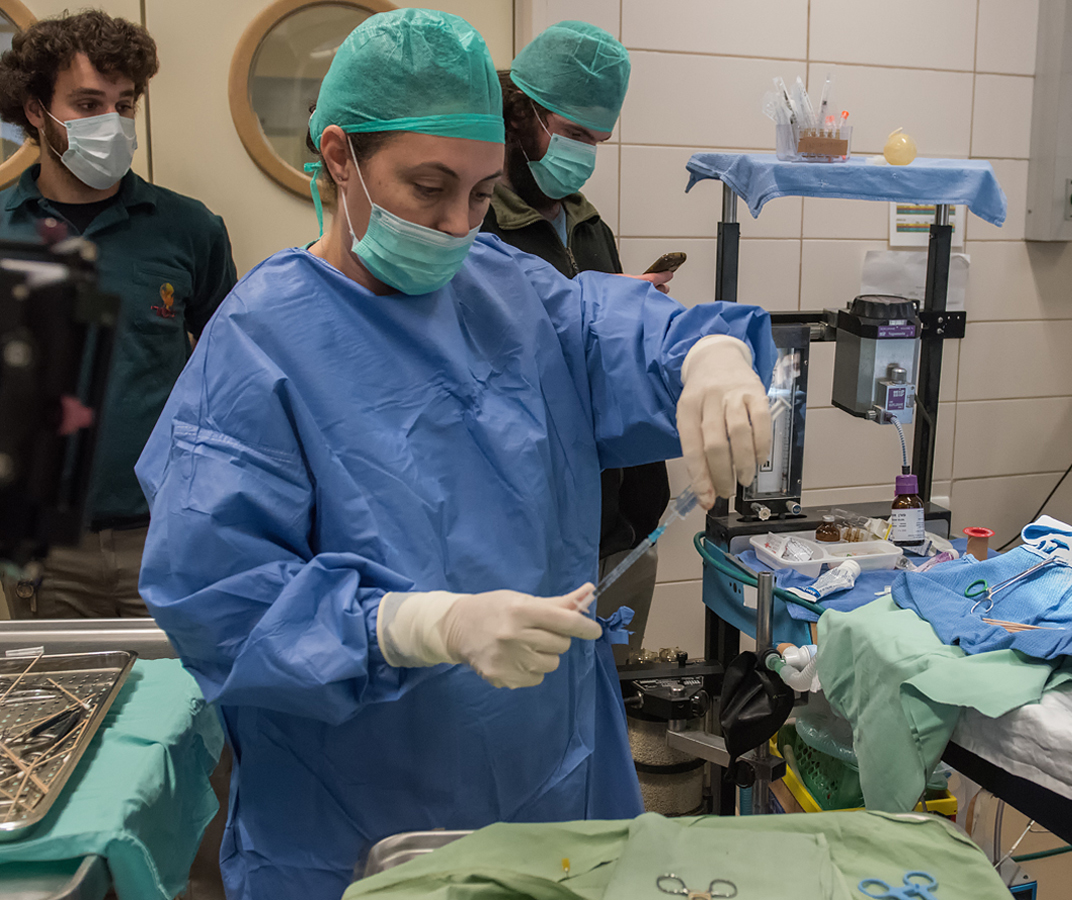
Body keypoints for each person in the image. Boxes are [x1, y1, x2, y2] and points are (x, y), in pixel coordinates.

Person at [135, 11, 774, 898]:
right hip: (355, 811)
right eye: (428, 186)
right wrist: (417, 626)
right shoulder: (260, 344)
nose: (455, 224)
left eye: (480, 194)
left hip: (550, 780)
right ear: (339, 156)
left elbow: (617, 328)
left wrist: (709, 354)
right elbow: (216, 595)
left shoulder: (512, 292)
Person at [0, 10, 235, 618]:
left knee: (180, 682)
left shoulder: (190, 229)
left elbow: (234, 377)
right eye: (87, 104)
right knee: (60, 686)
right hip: (44, 550)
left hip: (166, 534)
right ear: (36, 110)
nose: (112, 122)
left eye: (123, 105)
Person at [486, 22, 673, 662]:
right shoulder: (475, 230)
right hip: (527, 535)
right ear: (522, 117)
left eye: (597, 141)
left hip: (615, 525)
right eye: (574, 135)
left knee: (613, 696)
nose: (585, 155)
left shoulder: (588, 225)